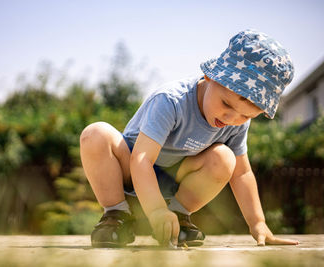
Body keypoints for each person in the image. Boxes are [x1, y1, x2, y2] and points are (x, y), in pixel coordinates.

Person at [80, 29, 299, 248]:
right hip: (129, 169)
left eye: (247, 115)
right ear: (209, 76)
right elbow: (141, 159)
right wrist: (156, 211)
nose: (232, 118)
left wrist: (258, 223)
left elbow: (242, 173)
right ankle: (117, 215)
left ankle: (178, 217)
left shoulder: (236, 122)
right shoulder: (171, 101)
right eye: (226, 104)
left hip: (174, 178)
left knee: (225, 158)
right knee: (95, 134)